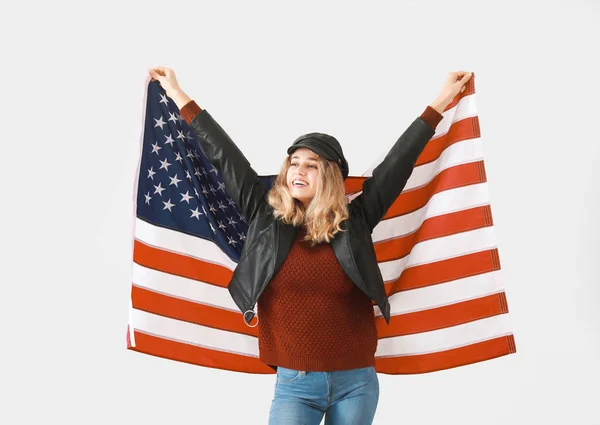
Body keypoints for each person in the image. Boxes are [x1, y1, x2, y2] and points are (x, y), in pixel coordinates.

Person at [148, 66, 472, 425]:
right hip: (294, 385)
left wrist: (442, 100)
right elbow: (225, 156)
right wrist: (178, 93)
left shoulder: (356, 221)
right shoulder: (263, 214)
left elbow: (398, 164)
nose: (298, 171)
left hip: (356, 381)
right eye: (294, 164)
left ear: (330, 175)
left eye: (311, 165)